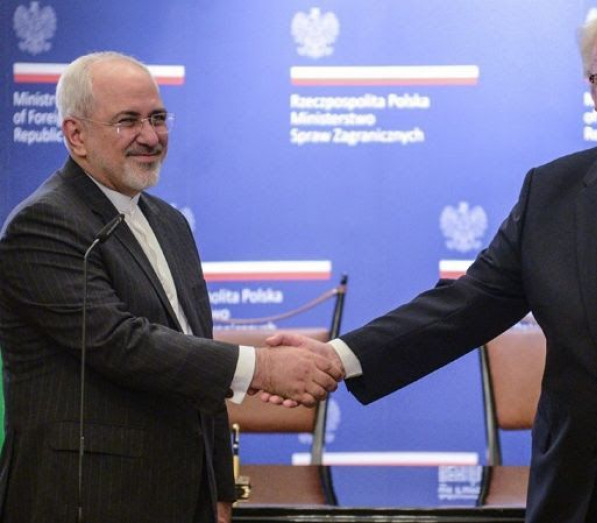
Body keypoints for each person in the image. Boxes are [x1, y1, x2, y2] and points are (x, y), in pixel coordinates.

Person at [266, 4, 597, 522]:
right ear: (591, 88)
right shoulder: (550, 190)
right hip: (574, 496)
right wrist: (340, 357)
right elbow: (468, 304)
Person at [0, 52, 343, 523]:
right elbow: (120, 343)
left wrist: (220, 486)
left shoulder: (169, 223)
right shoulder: (43, 223)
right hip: (87, 499)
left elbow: (196, 356)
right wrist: (260, 367)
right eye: (128, 121)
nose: (150, 136)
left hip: (182, 495)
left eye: (158, 118)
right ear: (76, 135)